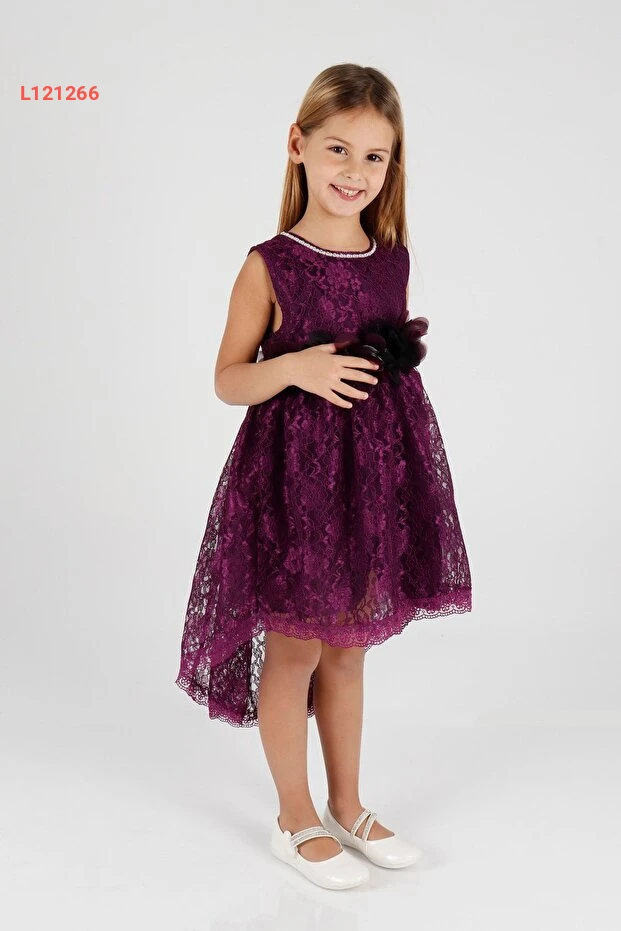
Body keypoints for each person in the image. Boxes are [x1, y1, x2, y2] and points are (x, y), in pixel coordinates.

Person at [175, 63, 472, 890]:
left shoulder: (390, 261)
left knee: (349, 648)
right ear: (297, 144)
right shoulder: (269, 264)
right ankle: (294, 815)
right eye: (338, 148)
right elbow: (228, 378)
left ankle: (347, 803)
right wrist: (295, 367)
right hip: (294, 486)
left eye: (374, 156)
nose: (354, 171)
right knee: (297, 648)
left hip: (369, 482)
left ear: (391, 165)